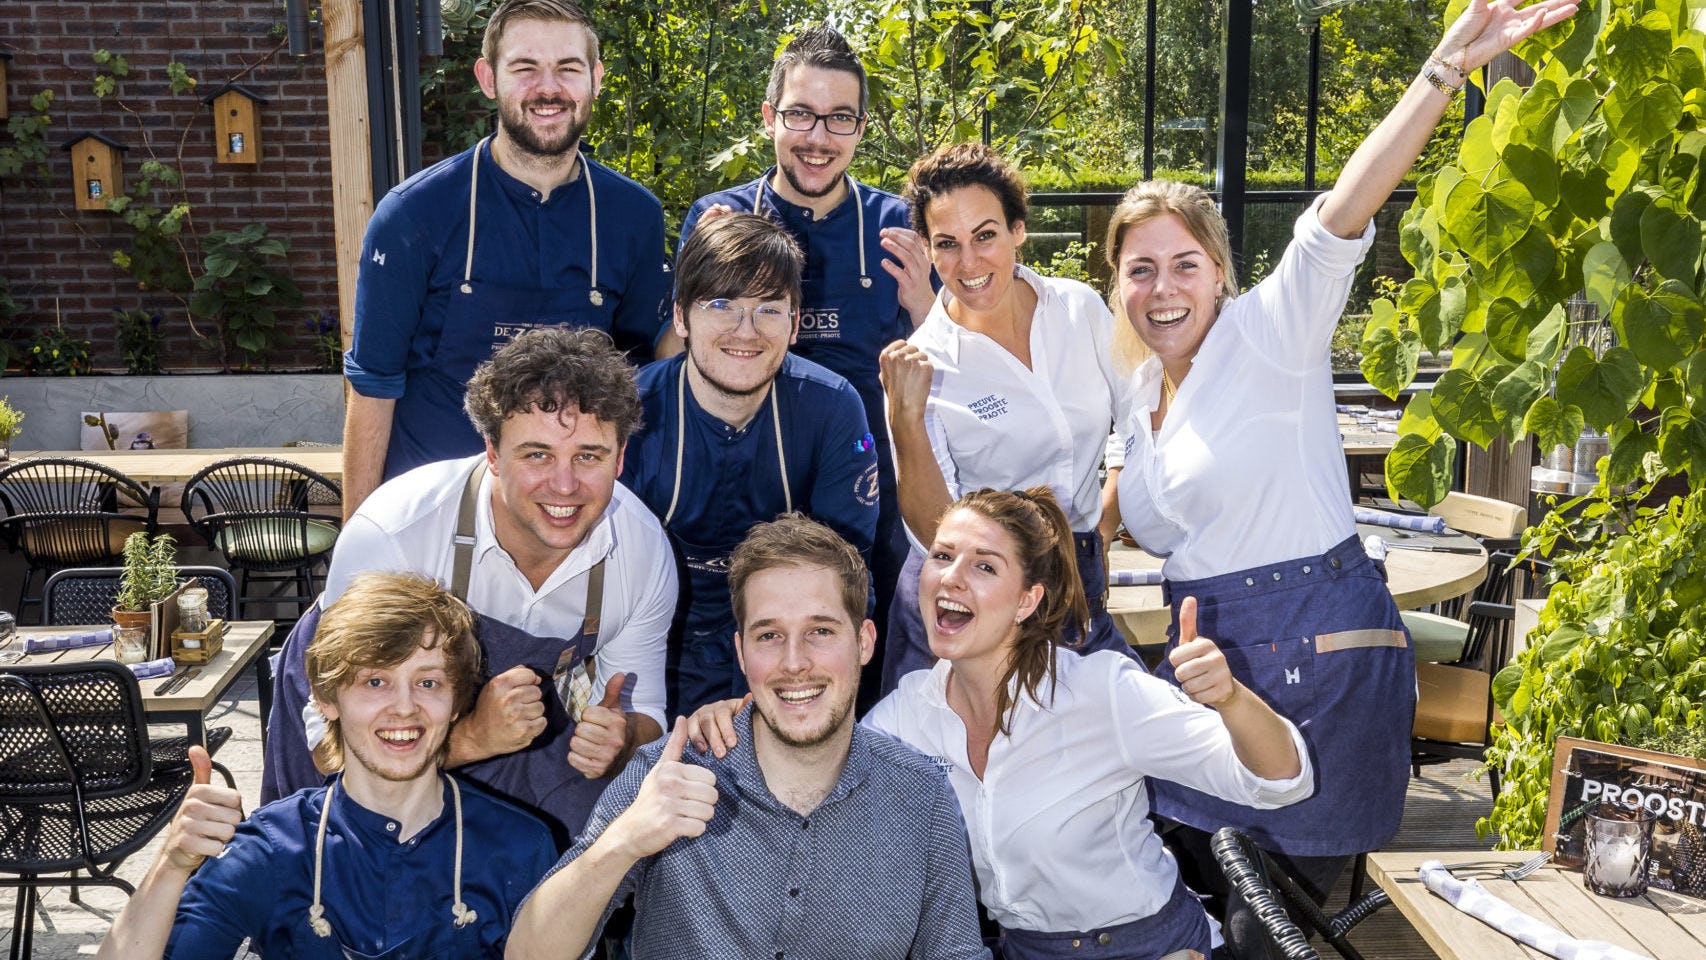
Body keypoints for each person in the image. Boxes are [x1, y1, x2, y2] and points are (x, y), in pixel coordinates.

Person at [1104, 1, 1578, 954]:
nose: (1163, 288)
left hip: (1314, 647)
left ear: (1223, 272)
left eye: (1185, 265)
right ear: (1115, 280)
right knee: (1181, 892)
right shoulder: (1137, 385)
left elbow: (1344, 207)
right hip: (1209, 653)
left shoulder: (1272, 334)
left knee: (1270, 925)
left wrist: (1445, 66)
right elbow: (1138, 509)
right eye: (1140, 268)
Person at [687, 489, 1311, 960]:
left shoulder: (1101, 691)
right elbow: (816, 762)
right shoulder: (909, 714)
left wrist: (1229, 699)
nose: (951, 576)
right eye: (942, 556)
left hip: (1151, 947)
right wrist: (738, 718)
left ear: (1026, 601)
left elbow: (1282, 782)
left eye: (984, 566)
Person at [507, 514, 989, 960]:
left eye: (820, 631)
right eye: (769, 635)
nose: (795, 662)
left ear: (863, 642)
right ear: (740, 652)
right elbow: (528, 952)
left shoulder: (920, 797)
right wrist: (624, 841)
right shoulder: (670, 772)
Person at [265, 326, 675, 849]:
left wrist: (622, 741)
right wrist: (475, 737)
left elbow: (648, 715)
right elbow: (329, 748)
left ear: (620, 459)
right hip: (373, 733)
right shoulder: (395, 536)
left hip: (524, 733)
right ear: (493, 454)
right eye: (537, 455)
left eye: (589, 457)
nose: (565, 486)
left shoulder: (640, 551)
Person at [670, 25, 934, 701]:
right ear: (769, 118)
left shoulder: (897, 227)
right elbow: (674, 351)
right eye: (800, 115)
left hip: (858, 501)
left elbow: (944, 371)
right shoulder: (718, 218)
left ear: (861, 127)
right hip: (739, 484)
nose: (818, 136)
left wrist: (929, 305)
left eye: (839, 118)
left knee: (850, 686)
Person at [98, 572, 555, 959]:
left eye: (429, 682)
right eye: (375, 681)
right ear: (325, 699)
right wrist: (171, 865)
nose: (404, 708)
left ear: (457, 702)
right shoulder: (275, 849)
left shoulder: (519, 845)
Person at [342, 0, 672, 518]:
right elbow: (372, 388)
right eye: (525, 68)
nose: (548, 88)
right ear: (488, 78)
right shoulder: (414, 215)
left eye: (568, 68)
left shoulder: (634, 216)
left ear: (596, 79)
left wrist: (708, 274)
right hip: (431, 520)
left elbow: (651, 372)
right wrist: (354, 561)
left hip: (566, 520)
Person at [878, 142, 1132, 693]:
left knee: (1104, 746)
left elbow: (1137, 425)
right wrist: (905, 419)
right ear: (927, 249)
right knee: (946, 769)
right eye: (947, 244)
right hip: (969, 594)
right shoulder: (923, 363)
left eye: (985, 235)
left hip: (1076, 576)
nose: (969, 263)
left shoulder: (1079, 310)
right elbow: (931, 532)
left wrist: (1101, 533)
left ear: (1018, 229)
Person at [623, 213, 878, 715]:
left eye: (768, 308)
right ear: (680, 317)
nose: (746, 330)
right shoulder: (628, 410)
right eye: (721, 305)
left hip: (778, 646)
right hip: (649, 642)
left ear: (795, 321)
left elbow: (845, 575)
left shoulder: (831, 406)